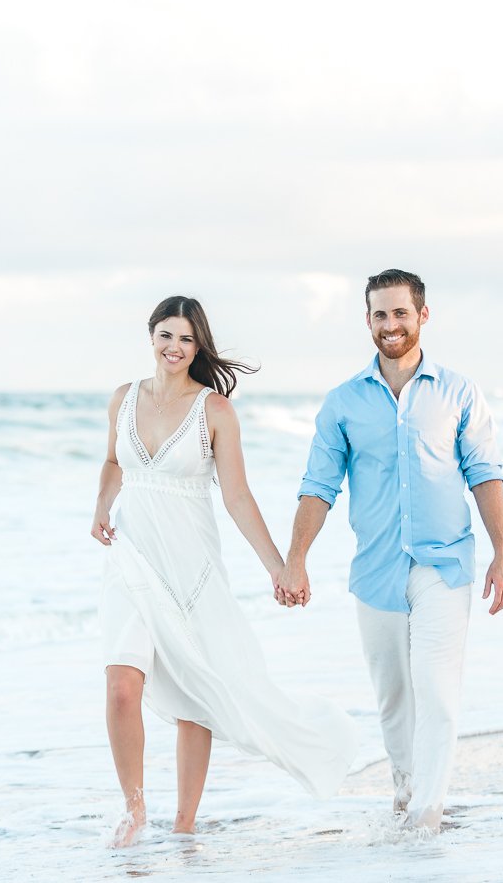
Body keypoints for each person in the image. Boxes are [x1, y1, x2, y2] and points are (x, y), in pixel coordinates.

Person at [91, 296, 358, 848]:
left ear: (198, 346)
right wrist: (100, 504)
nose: (175, 347)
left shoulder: (215, 411)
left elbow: (236, 496)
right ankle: (135, 812)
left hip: (192, 565)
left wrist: (281, 567)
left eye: (186, 339)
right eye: (166, 335)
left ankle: (184, 825)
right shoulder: (123, 398)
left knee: (197, 691)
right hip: (133, 557)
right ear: (151, 336)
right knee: (121, 686)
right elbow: (115, 461)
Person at [275, 268, 503, 836]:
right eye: (380, 314)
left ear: (422, 316)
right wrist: (296, 558)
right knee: (393, 699)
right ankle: (407, 790)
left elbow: (485, 475)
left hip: (445, 563)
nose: (390, 325)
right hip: (377, 568)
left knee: (437, 689)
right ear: (367, 321)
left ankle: (428, 812)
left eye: (400, 313)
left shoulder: (458, 392)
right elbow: (318, 486)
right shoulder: (342, 403)